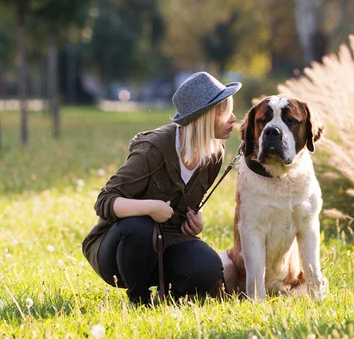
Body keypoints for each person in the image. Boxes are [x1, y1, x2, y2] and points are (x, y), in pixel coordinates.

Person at [82, 72, 241, 305]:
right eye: (224, 112)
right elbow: (104, 201)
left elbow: (189, 203)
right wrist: (150, 207)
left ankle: (170, 296)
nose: (233, 118)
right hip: (119, 251)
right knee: (139, 225)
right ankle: (140, 299)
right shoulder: (153, 149)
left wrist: (195, 221)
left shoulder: (214, 153)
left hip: (168, 242)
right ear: (204, 116)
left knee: (208, 267)